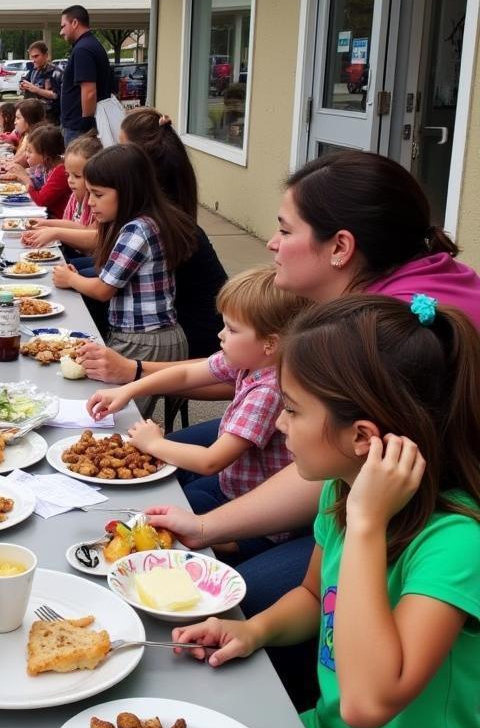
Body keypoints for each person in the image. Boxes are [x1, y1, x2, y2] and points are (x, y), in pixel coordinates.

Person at [173, 295, 480, 728]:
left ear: (361, 436)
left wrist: (365, 525)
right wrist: (255, 630)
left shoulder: (455, 543)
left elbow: (368, 703)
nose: (279, 426)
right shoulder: (344, 490)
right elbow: (316, 595)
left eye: (292, 410)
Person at [143, 149, 480, 619]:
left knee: (240, 606)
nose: (271, 244)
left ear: (341, 247)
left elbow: (337, 457)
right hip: (356, 484)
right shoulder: (376, 299)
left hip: (421, 518)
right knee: (163, 464)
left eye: (285, 230)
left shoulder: (376, 333)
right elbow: (248, 381)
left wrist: (207, 527)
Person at [89, 266, 310, 533]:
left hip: (255, 516)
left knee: (157, 516)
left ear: (270, 344)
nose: (221, 334)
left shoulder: (268, 391)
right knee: (167, 498)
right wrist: (128, 389)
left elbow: (211, 461)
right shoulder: (249, 360)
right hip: (231, 484)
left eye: (232, 328)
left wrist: (154, 443)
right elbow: (184, 374)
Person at [75, 107, 229, 375]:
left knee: (83, 292)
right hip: (171, 326)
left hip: (187, 331)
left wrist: (72, 277)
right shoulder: (157, 211)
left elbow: (104, 286)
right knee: (80, 278)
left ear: (132, 179)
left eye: (121, 147)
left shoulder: (143, 225)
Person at [52, 143, 197, 413]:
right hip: (153, 337)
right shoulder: (148, 221)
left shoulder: (137, 230)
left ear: (127, 192)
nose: (90, 201)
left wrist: (70, 280)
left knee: (114, 418)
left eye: (98, 194)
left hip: (144, 341)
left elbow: (103, 289)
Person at [59, 4, 112, 144]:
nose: (61, 32)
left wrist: (85, 126)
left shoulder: (83, 49)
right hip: (81, 126)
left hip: (79, 129)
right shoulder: (90, 45)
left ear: (75, 23)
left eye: (63, 26)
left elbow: (89, 92)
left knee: (77, 166)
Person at [0, 124, 70, 219]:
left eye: (30, 151)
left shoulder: (60, 171)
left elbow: (41, 200)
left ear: (45, 156)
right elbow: (36, 182)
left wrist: (24, 177)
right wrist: (19, 175)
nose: (26, 155)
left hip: (56, 218)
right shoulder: (45, 166)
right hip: (47, 213)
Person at [18, 40, 62, 122]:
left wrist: (36, 89)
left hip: (50, 118)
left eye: (36, 56)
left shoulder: (55, 72)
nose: (33, 60)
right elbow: (24, 81)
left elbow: (57, 95)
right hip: (34, 116)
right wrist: (23, 85)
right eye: (31, 57)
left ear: (46, 55)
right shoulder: (34, 70)